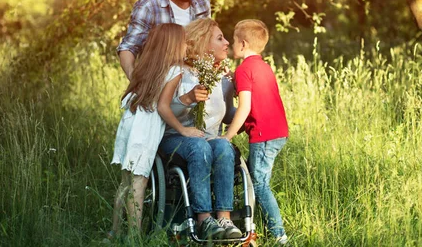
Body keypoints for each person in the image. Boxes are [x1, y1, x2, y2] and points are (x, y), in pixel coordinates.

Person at [109, 23, 205, 238]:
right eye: (183, 41)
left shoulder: (147, 65)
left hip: (130, 122)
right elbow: (163, 107)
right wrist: (183, 130)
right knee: (139, 181)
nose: (186, 45)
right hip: (146, 128)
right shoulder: (175, 71)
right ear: (173, 45)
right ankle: (134, 236)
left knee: (126, 180)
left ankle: (113, 231)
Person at [159, 18, 242, 240]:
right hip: (176, 137)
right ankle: (204, 220)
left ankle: (224, 218)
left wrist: (249, 115)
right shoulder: (179, 72)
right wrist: (186, 98)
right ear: (204, 44)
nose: (226, 43)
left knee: (224, 146)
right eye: (220, 38)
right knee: (198, 147)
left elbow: (227, 114)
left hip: (209, 139)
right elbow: (163, 110)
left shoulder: (224, 78)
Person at [221, 19, 289, 245]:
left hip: (263, 136)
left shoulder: (243, 70)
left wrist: (228, 136)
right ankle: (248, 224)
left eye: (232, 40)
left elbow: (245, 107)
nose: (231, 44)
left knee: (259, 184)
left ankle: (279, 235)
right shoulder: (263, 66)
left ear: (242, 44)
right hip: (278, 132)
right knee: (251, 176)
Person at [117, 0, 211, 80]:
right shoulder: (147, 7)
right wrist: (136, 84)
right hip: (160, 86)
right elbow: (128, 48)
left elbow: (207, 43)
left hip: (196, 86)